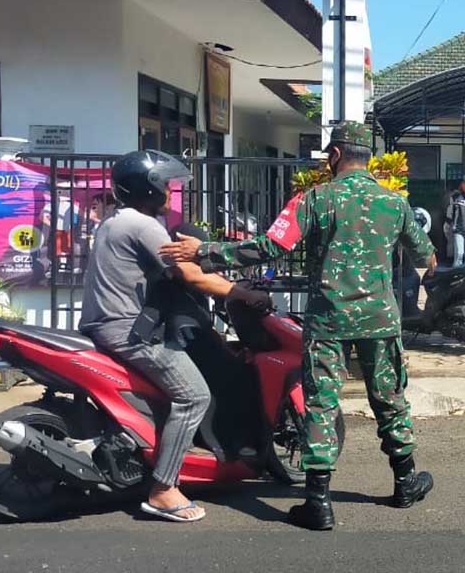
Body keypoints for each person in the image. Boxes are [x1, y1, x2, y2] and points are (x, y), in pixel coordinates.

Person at [160, 121, 438, 531]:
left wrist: (206, 251)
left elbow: (271, 246)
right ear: (369, 159)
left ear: (337, 155)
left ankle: (318, 502)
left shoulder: (314, 199)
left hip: (329, 320)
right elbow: (426, 256)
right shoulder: (393, 204)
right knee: (389, 398)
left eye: (329, 154)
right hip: (379, 319)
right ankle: (405, 480)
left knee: (321, 404)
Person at [79, 150, 211, 523]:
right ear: (148, 188)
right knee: (194, 396)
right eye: (165, 184)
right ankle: (164, 489)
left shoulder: (114, 221)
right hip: (127, 330)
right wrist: (240, 294)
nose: (169, 191)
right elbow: (191, 275)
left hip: (105, 325)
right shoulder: (143, 225)